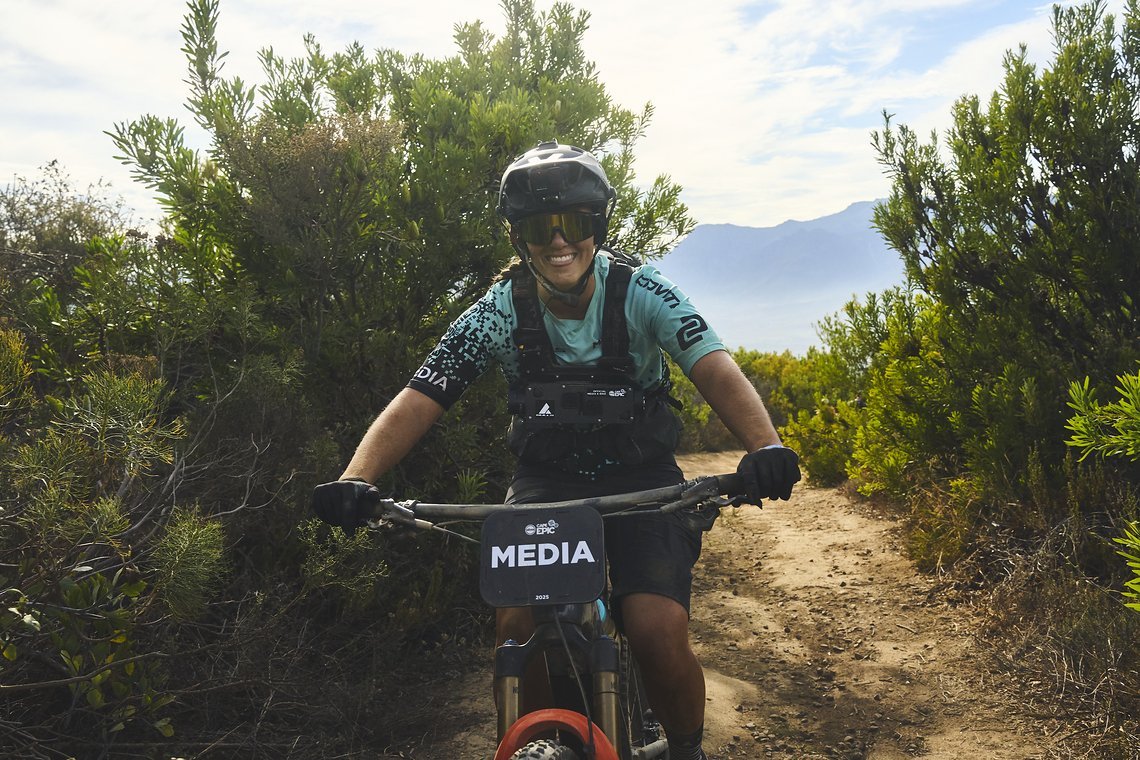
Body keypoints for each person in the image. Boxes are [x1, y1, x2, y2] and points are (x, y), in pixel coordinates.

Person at [311, 140, 801, 760]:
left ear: (597, 228)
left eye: (574, 223)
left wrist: (765, 447)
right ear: (521, 237)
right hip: (545, 480)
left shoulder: (642, 292)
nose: (558, 240)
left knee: (653, 626)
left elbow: (715, 369)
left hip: (643, 478)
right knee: (518, 628)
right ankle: (535, 742)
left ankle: (684, 750)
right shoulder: (499, 311)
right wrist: (358, 477)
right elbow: (421, 396)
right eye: (542, 226)